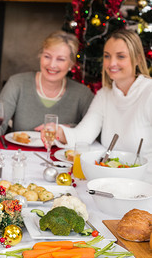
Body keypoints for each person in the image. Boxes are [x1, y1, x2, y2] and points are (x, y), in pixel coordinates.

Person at [0, 31, 94, 149]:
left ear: (71, 64)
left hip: (62, 162)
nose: (52, 65)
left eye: (60, 59)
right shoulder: (17, 83)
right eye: (47, 56)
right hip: (20, 157)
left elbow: (94, 132)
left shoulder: (83, 94)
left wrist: (66, 130)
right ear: (40, 57)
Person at [56, 29, 152, 162]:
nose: (111, 63)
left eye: (121, 56)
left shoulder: (149, 92)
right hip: (109, 176)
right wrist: (58, 132)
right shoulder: (104, 95)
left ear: (137, 59)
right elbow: (83, 136)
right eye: (107, 56)